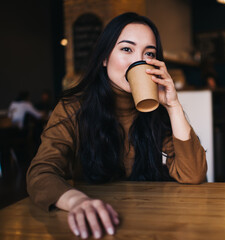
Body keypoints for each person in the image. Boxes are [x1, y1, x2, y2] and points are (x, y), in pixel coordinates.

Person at [26, 12, 207, 239]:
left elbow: (193, 174)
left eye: (148, 53)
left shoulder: (157, 112)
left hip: (154, 222)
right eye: (127, 49)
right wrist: (77, 201)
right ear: (104, 58)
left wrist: (173, 105)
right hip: (95, 223)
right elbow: (41, 172)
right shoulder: (73, 107)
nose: (138, 61)